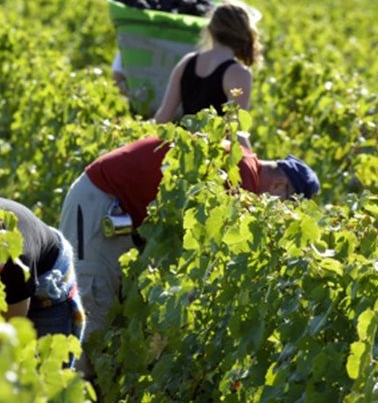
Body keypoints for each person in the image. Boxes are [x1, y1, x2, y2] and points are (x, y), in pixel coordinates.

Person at [58, 136, 319, 377]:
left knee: (116, 316)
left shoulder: (243, 161)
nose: (278, 216)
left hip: (124, 218)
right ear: (278, 186)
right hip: (100, 201)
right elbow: (209, 251)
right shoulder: (242, 179)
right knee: (90, 310)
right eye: (286, 206)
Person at [0, 198, 85, 356]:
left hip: (49, 273)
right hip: (24, 237)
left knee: (45, 359)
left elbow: (7, 338)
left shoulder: (16, 264)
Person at [153, 2, 262, 125]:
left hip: (185, 143)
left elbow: (162, 118)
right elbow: (236, 133)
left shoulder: (187, 62)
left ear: (211, 30)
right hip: (217, 144)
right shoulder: (239, 74)